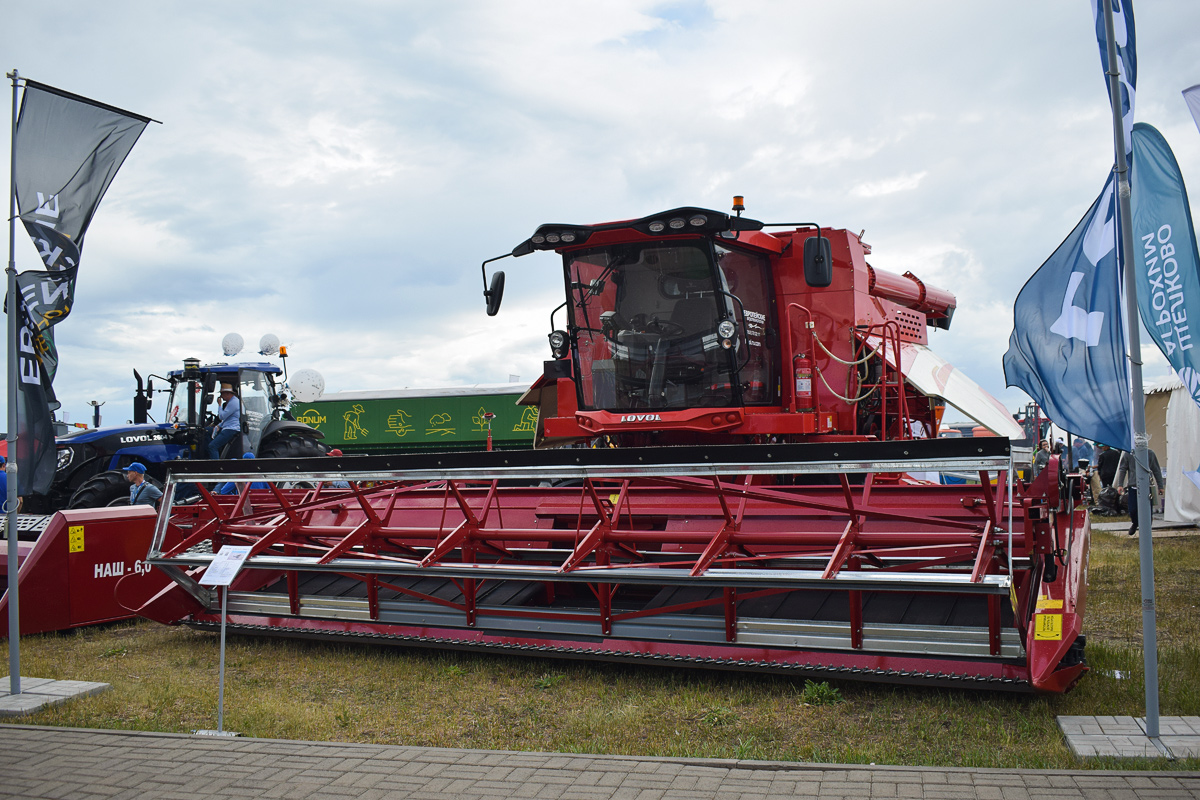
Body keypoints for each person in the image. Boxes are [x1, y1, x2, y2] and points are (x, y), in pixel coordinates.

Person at [1115, 447, 1164, 537]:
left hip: (1147, 487)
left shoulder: (1150, 453)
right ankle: (1135, 522)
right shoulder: (1128, 454)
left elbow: (1156, 470)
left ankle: (1146, 531)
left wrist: (1160, 486)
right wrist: (1120, 484)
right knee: (1132, 509)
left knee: (1147, 511)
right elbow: (1122, 469)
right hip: (1133, 486)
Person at [208, 382, 242, 459]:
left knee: (212, 446)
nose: (221, 397)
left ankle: (215, 466)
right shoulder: (229, 403)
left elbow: (222, 416)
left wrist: (219, 405)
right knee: (205, 431)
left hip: (231, 429)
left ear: (227, 394)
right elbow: (227, 419)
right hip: (226, 427)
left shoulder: (234, 403)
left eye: (222, 394)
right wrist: (218, 425)